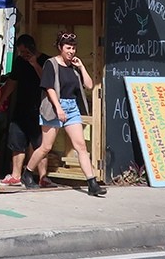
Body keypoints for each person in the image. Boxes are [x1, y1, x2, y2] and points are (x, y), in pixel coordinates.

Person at [24, 31, 107, 197]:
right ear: (60, 48)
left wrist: (82, 66)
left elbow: (89, 85)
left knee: (81, 146)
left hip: (72, 108)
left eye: (74, 48)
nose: (71, 51)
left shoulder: (74, 67)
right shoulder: (51, 64)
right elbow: (49, 87)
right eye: (68, 48)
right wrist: (58, 108)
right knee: (46, 147)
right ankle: (27, 173)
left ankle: (92, 183)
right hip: (54, 106)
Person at [0, 34, 43, 187]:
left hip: (40, 107)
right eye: (20, 52)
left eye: (24, 52)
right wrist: (1, 101)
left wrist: (34, 63)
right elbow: (12, 83)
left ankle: (43, 177)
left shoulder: (45, 61)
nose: (22, 55)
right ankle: (16, 175)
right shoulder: (19, 62)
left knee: (40, 144)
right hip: (21, 106)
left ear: (32, 48)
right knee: (17, 142)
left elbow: (47, 80)